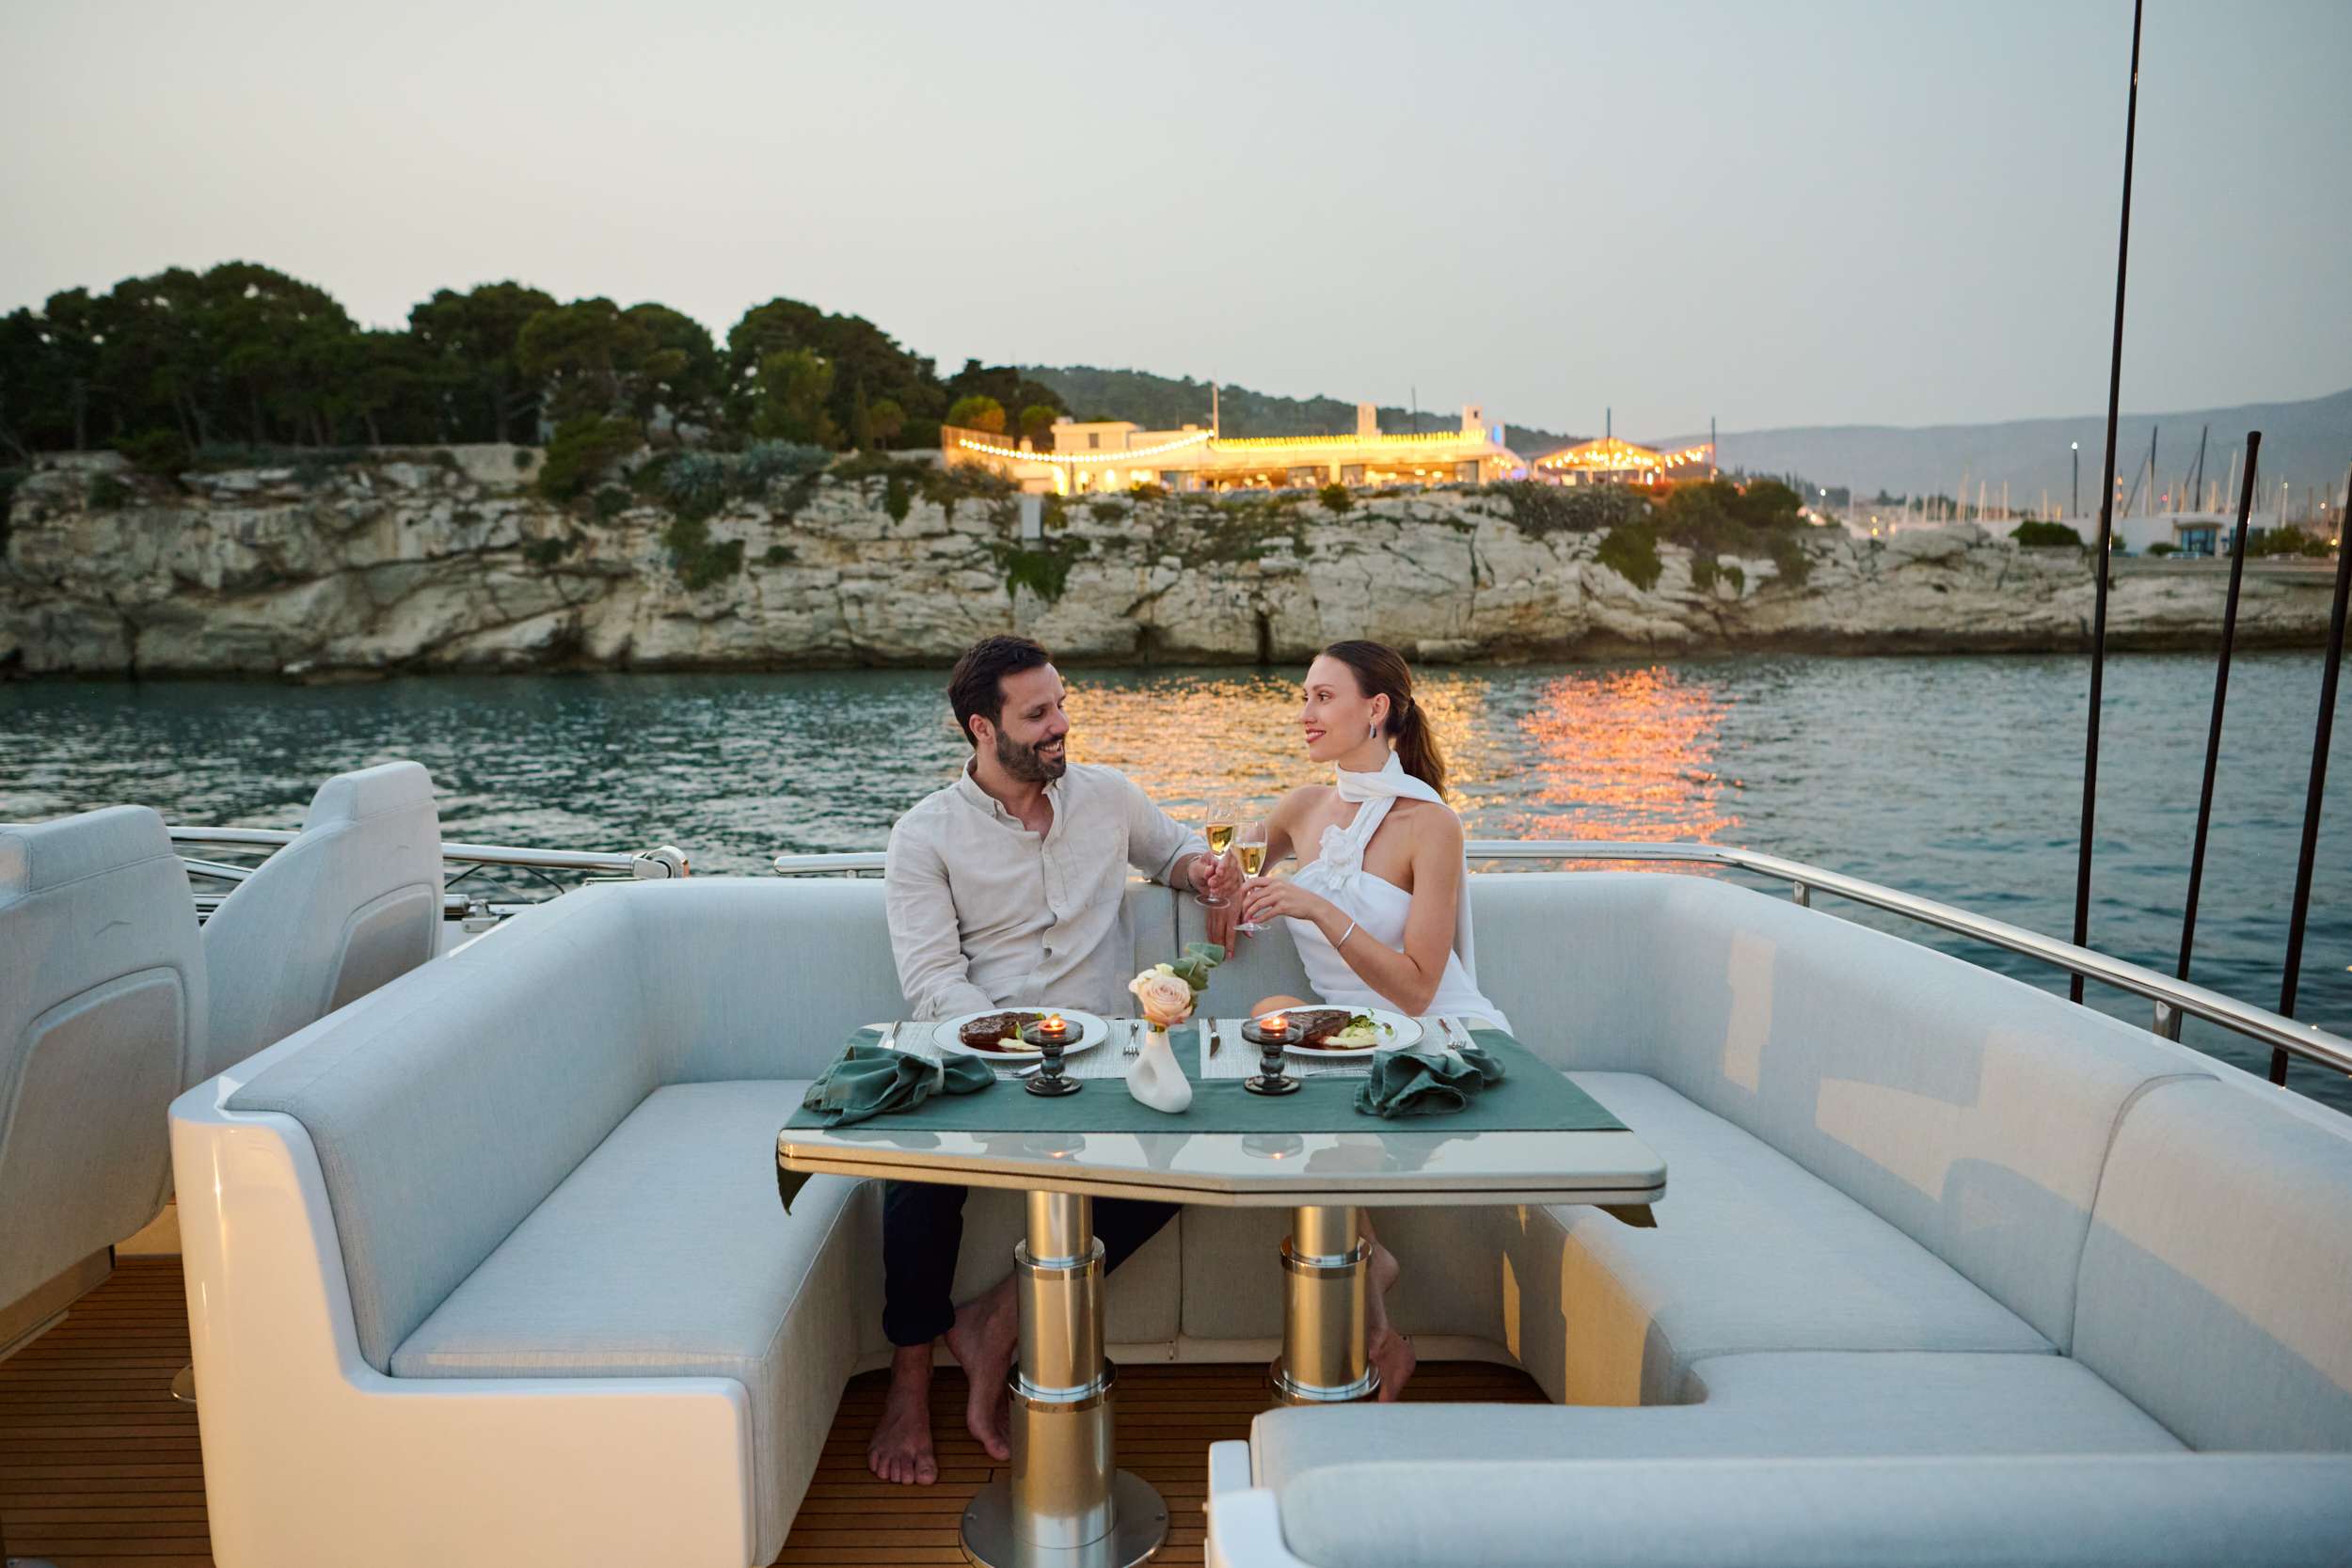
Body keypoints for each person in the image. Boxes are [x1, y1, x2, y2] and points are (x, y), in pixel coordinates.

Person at [872, 634, 1238, 1485]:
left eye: (1062, 703)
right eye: (1037, 713)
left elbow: (1177, 851)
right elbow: (932, 982)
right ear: (982, 727)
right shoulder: (923, 835)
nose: (1060, 724)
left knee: (1188, 1147)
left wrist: (1208, 874)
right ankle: (909, 1380)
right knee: (915, 1172)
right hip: (983, 1052)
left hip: (1105, 1057)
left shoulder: (1108, 796)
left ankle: (995, 1320)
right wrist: (1014, 1039)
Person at [1234, 639, 1510, 1400]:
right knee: (1270, 1016)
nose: (1305, 712)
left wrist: (1316, 906)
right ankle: (1374, 1303)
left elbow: (1419, 990)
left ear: (1377, 708)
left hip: (1436, 1038)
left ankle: (1353, 1328)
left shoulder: (1431, 824)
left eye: (1324, 697)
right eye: (1304, 696)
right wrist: (1223, 893)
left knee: (1295, 1083)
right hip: (1348, 1037)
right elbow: (1224, 880)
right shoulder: (1301, 806)